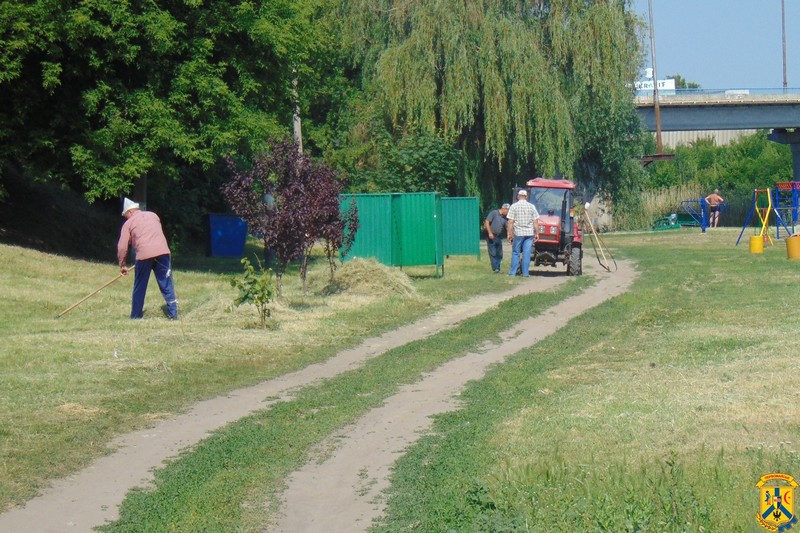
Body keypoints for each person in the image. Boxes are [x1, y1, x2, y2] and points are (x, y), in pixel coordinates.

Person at [117, 198, 178, 319]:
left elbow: (122, 246)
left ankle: (136, 316)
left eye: (125, 215)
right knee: (166, 283)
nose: (126, 217)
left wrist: (122, 265)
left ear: (129, 212)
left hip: (144, 256)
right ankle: (173, 315)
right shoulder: (153, 215)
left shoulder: (128, 223)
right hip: (163, 252)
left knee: (140, 286)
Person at [506, 189, 539, 277]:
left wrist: (509, 234)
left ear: (518, 196)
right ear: (526, 197)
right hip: (529, 234)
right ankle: (525, 273)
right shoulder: (532, 206)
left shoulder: (514, 206)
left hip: (518, 233)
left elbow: (510, 222)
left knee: (516, 252)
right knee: (526, 253)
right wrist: (537, 233)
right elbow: (535, 222)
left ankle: (512, 272)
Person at [484, 203, 510, 273]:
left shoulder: (504, 218)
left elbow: (507, 227)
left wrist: (509, 235)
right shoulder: (494, 213)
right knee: (493, 252)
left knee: (499, 253)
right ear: (504, 209)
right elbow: (487, 222)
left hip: (498, 237)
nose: (508, 213)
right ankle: (495, 268)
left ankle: (497, 267)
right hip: (491, 235)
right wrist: (490, 233)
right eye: (508, 211)